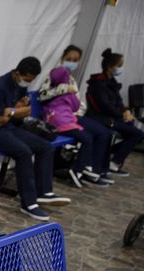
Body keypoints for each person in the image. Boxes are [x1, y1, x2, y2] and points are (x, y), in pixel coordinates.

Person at [0, 57, 71, 221]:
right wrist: (15, 112)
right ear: (17, 73)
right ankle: (28, 203)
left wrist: (14, 111)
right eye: (26, 79)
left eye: (31, 80)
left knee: (45, 146)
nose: (27, 83)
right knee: (24, 152)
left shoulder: (19, 85)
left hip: (11, 128)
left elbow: (23, 109)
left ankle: (44, 192)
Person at [39, 44, 114, 187]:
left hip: (74, 115)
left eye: (75, 60)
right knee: (89, 135)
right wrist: (61, 89)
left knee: (104, 133)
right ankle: (81, 169)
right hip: (60, 117)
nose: (72, 63)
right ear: (62, 57)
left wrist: (76, 111)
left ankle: (94, 170)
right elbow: (42, 96)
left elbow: (78, 102)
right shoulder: (54, 75)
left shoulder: (71, 79)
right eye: (69, 59)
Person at [85, 48, 144, 177]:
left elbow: (119, 101)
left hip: (113, 117)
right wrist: (121, 114)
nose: (121, 68)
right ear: (110, 66)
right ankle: (113, 162)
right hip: (102, 119)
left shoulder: (112, 82)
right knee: (138, 134)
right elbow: (105, 106)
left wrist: (126, 112)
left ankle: (110, 157)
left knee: (133, 129)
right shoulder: (98, 84)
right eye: (119, 66)